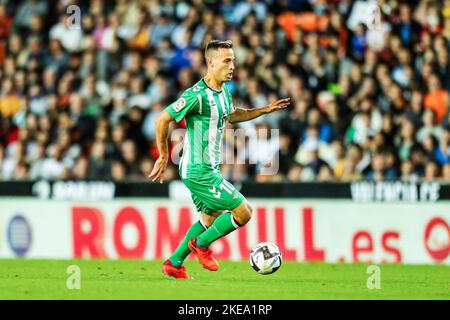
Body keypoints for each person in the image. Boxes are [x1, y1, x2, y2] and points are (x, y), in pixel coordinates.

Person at [149, 40, 290, 279]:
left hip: (206, 168)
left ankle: (174, 262)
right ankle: (201, 245)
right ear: (211, 62)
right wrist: (163, 155)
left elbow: (232, 114)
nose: (232, 65)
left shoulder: (223, 91)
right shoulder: (196, 95)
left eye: (233, 60)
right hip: (198, 170)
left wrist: (263, 110)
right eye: (227, 61)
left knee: (209, 218)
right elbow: (163, 119)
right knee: (244, 212)